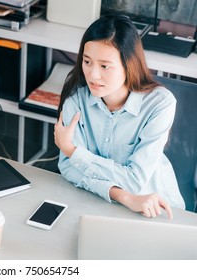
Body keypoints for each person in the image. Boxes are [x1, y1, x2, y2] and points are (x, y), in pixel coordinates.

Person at [54, 14, 185, 219]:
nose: (93, 75)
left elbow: (135, 181)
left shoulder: (160, 104)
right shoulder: (76, 100)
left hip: (157, 209)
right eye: (87, 62)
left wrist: (73, 151)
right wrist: (123, 197)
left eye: (105, 66)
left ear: (129, 64)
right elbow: (68, 168)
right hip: (99, 204)